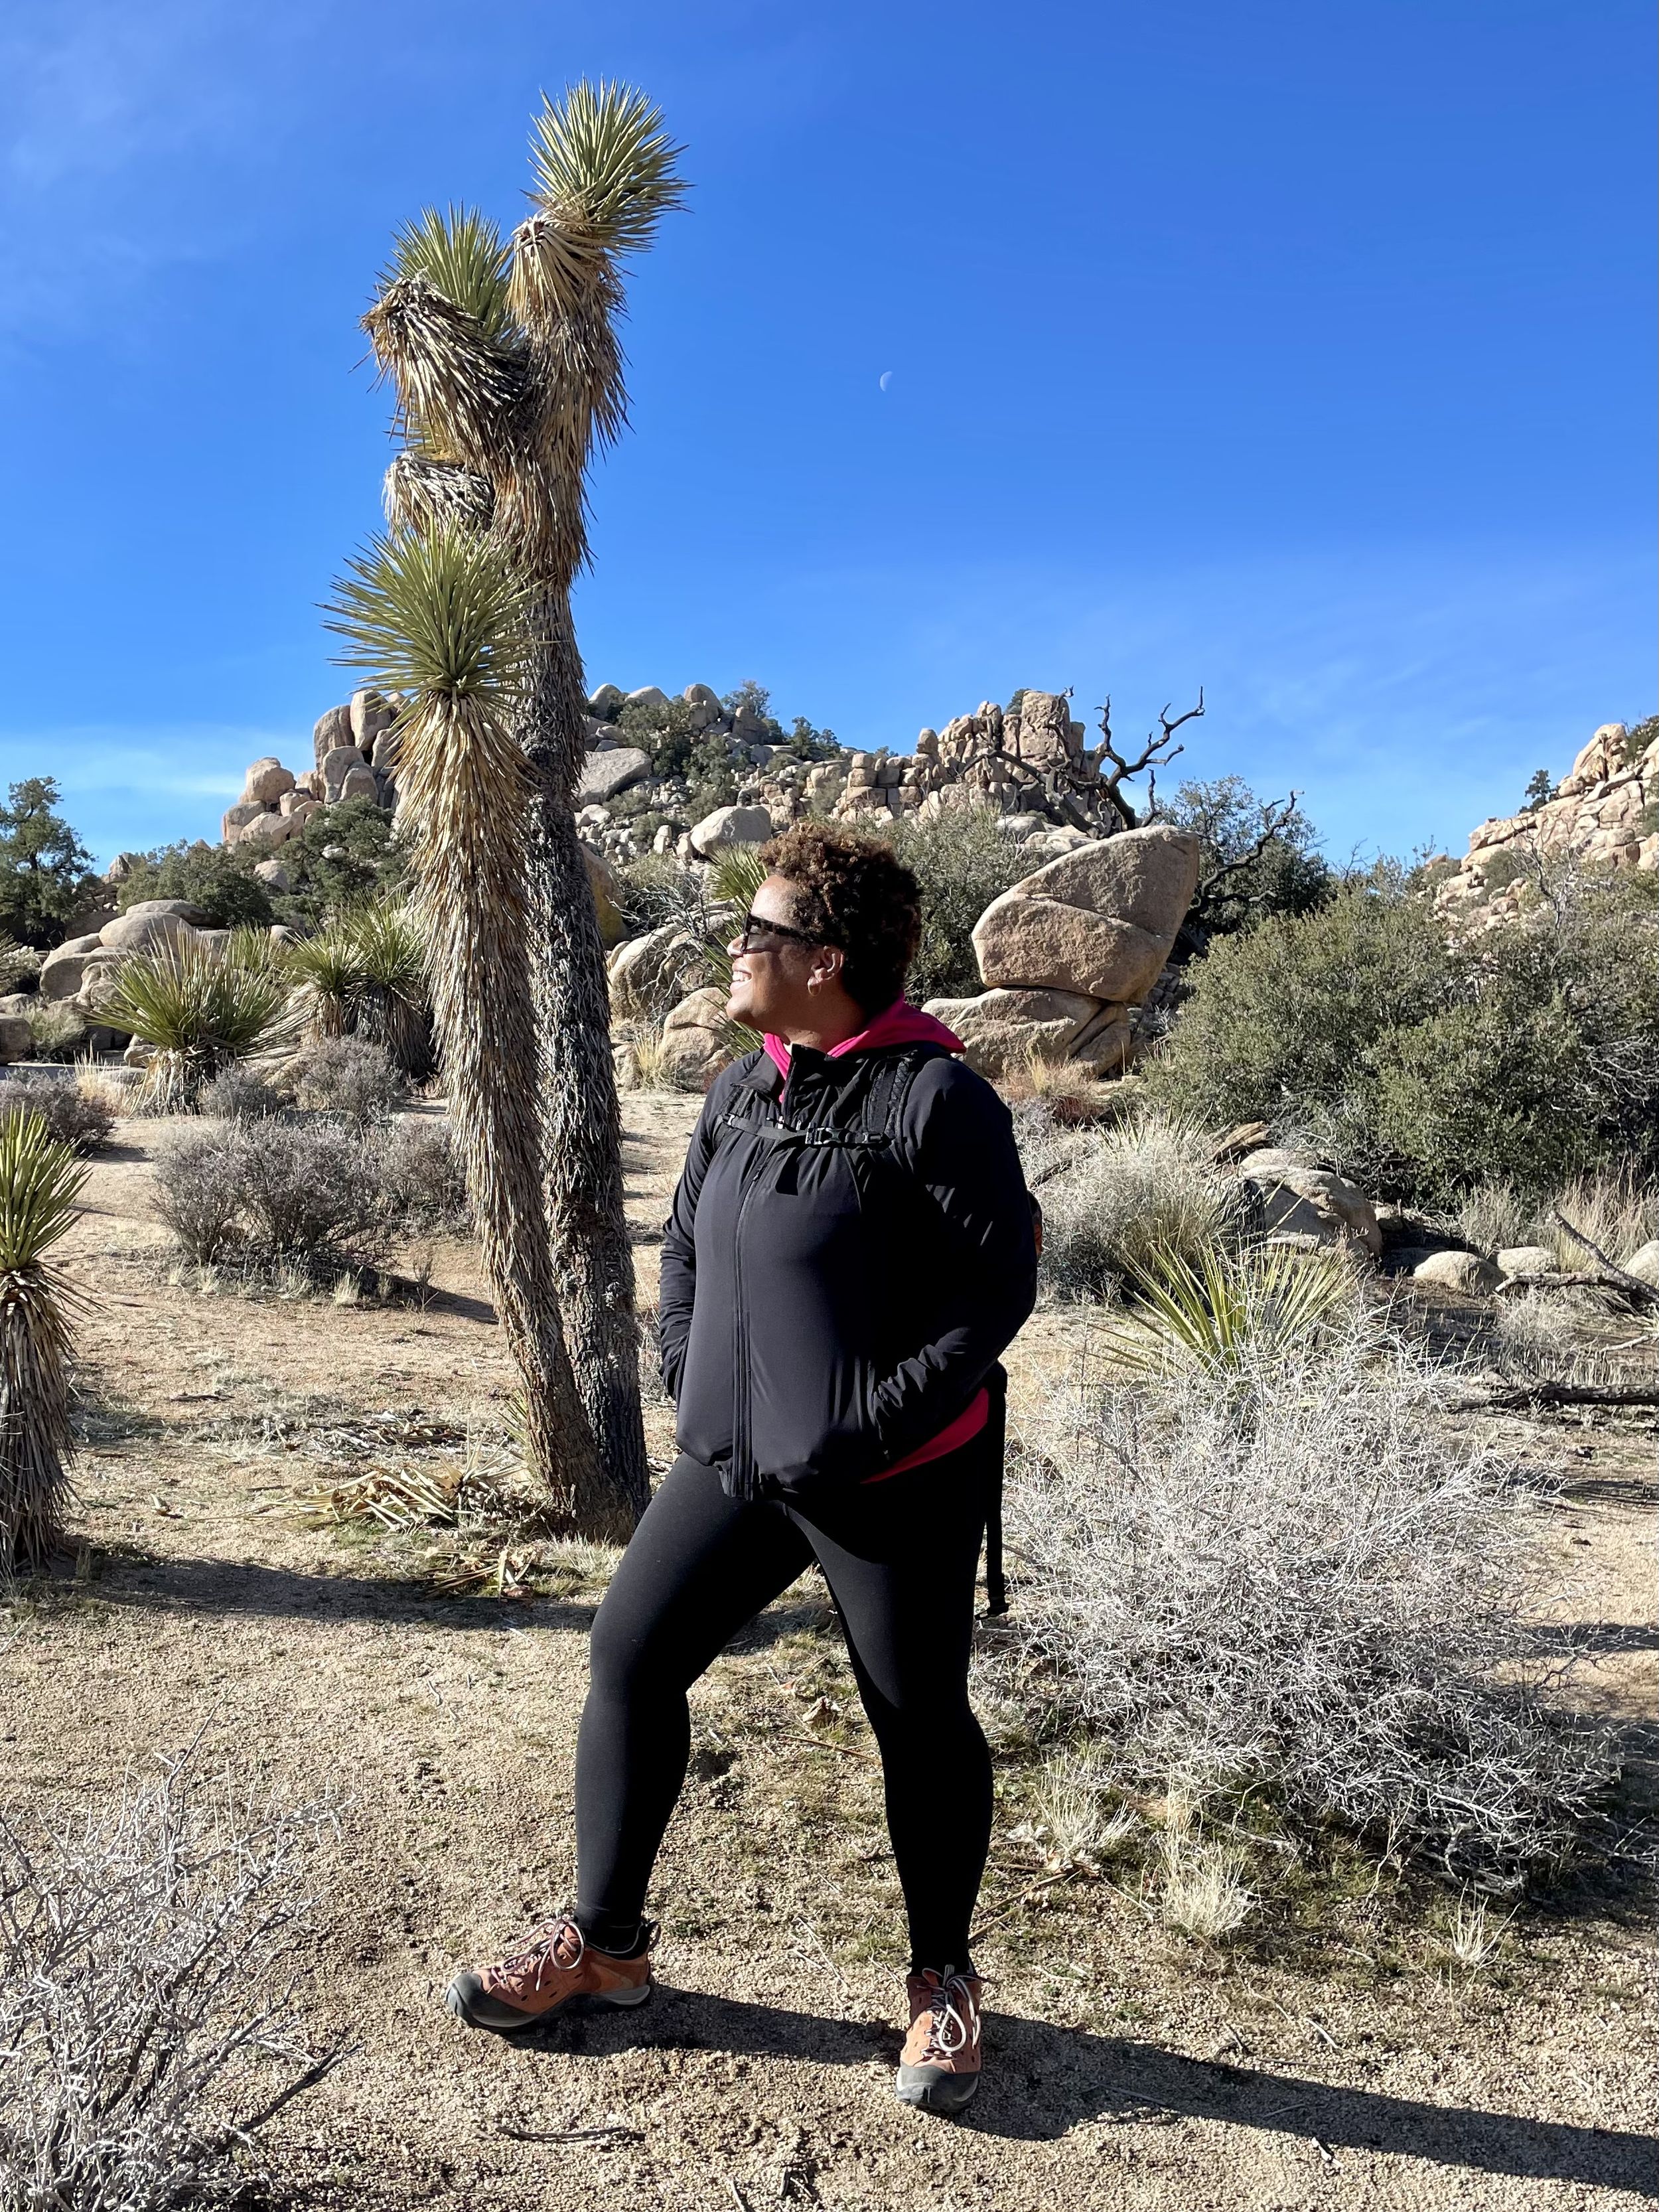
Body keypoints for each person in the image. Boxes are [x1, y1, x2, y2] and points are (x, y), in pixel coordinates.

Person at [447, 824, 1038, 2113]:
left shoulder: (935, 1098)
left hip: (890, 1479)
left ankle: (940, 1977)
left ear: (823, 960)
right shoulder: (742, 1083)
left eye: (757, 932)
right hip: (731, 1462)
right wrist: (681, 1364)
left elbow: (992, 1294)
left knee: (916, 1719)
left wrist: (865, 1427)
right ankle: (607, 1951)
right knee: (630, 1656)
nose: (735, 947)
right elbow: (686, 1243)